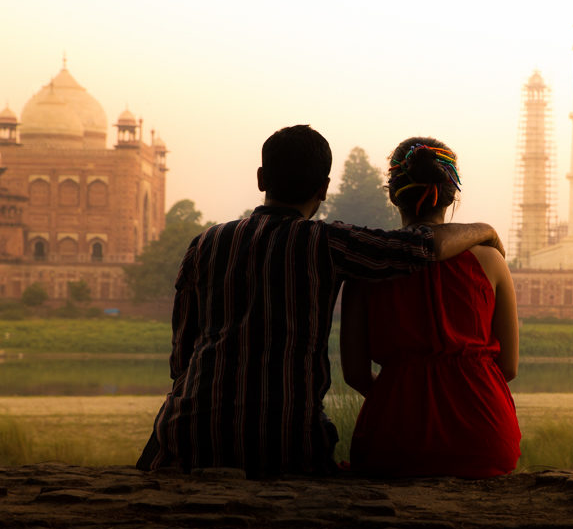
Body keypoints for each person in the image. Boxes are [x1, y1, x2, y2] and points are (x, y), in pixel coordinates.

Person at [137, 125, 504, 477]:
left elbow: (181, 359)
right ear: (324, 189)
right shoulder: (328, 243)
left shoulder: (205, 244)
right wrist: (485, 231)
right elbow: (425, 247)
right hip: (287, 443)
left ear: (261, 179)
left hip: (186, 437)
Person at [341, 137, 520, 478]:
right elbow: (508, 367)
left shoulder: (366, 267)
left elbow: (355, 374)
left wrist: (403, 392)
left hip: (392, 436)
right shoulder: (492, 262)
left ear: (394, 194)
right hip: (484, 435)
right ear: (452, 195)